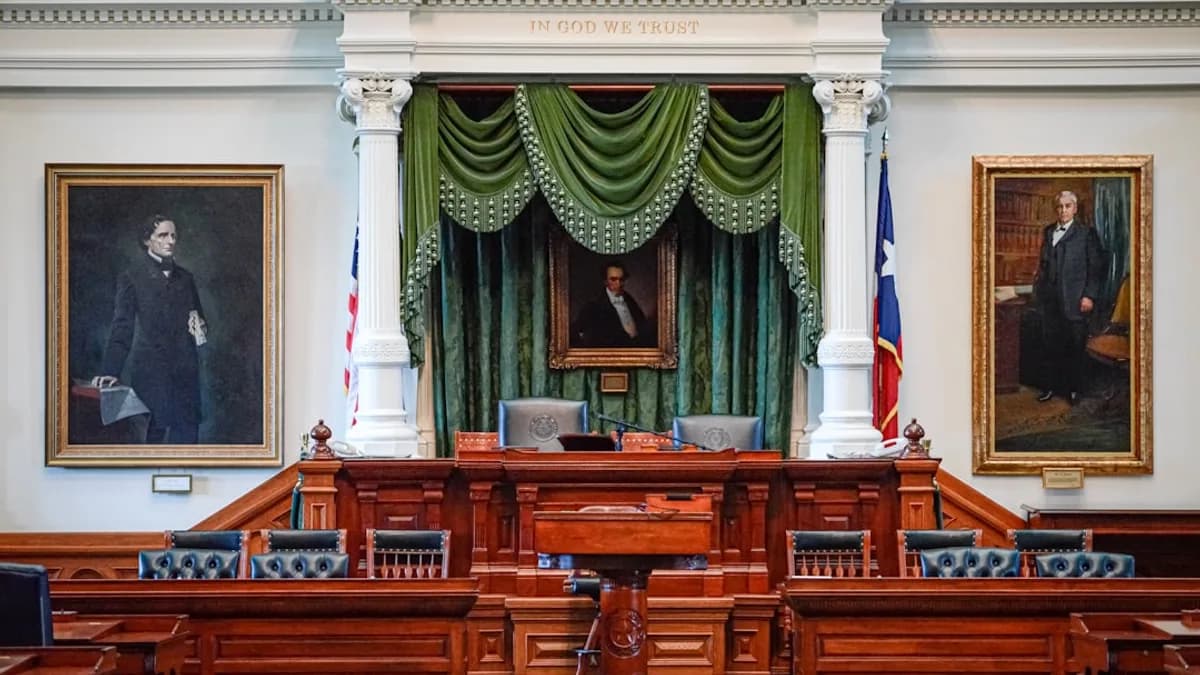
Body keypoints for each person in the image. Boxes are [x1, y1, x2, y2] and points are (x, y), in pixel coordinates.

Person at [92, 215, 208, 443]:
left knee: (188, 442)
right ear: (148, 240)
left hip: (186, 374)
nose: (170, 241)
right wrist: (110, 371)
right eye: (163, 235)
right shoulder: (132, 277)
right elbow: (122, 327)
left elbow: (199, 320)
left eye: (173, 235)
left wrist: (201, 328)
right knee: (153, 441)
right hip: (152, 375)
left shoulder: (186, 278)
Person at [1033, 191, 1105, 405]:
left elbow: (1096, 268)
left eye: (1067, 206)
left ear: (1074, 209)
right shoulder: (1048, 232)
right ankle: (1050, 387)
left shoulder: (1086, 234)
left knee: (1074, 347)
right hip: (1050, 301)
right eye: (1059, 207)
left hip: (1075, 301)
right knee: (1050, 346)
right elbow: (1044, 265)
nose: (1062, 210)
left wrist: (1089, 296)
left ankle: (1074, 389)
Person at [570, 260, 651, 348]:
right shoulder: (593, 306)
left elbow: (643, 326)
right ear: (605, 281)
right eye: (613, 279)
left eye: (622, 279)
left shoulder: (630, 300)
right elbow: (576, 333)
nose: (619, 284)